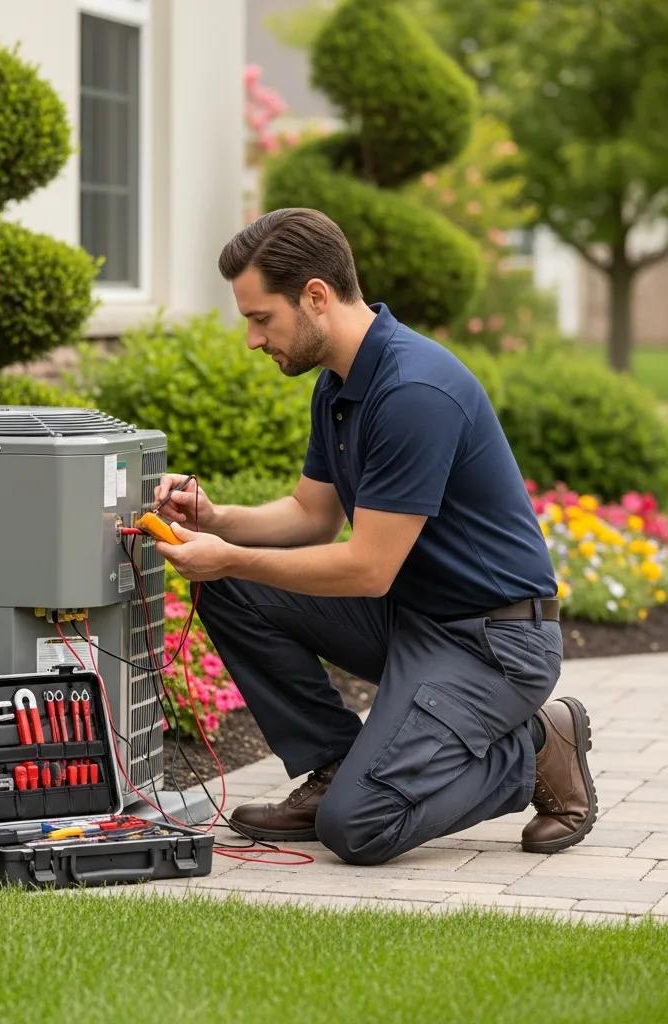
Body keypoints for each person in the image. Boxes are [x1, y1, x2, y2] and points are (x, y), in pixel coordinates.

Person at [152, 208, 597, 866]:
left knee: (357, 828)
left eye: (259, 317)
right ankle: (335, 764)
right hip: (413, 617)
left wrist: (227, 557)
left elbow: (367, 569)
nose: (251, 339)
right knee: (233, 589)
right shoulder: (337, 383)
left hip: (494, 643)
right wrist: (216, 521)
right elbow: (311, 515)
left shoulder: (413, 389)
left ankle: (534, 746)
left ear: (315, 296)